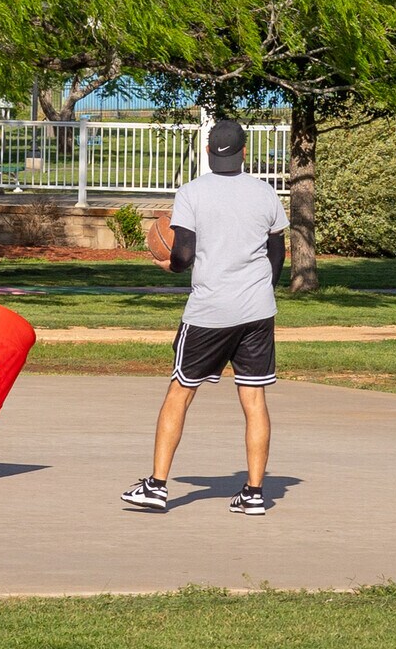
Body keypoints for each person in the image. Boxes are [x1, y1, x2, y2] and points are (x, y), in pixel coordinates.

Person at [122, 118, 287, 517]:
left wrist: (170, 267)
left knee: (179, 393)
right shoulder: (265, 193)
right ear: (245, 152)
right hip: (256, 312)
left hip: (210, 312)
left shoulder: (192, 193)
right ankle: (253, 494)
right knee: (254, 399)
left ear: (209, 152)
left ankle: (157, 487)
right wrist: (263, 290)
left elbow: (182, 254)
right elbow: (278, 252)